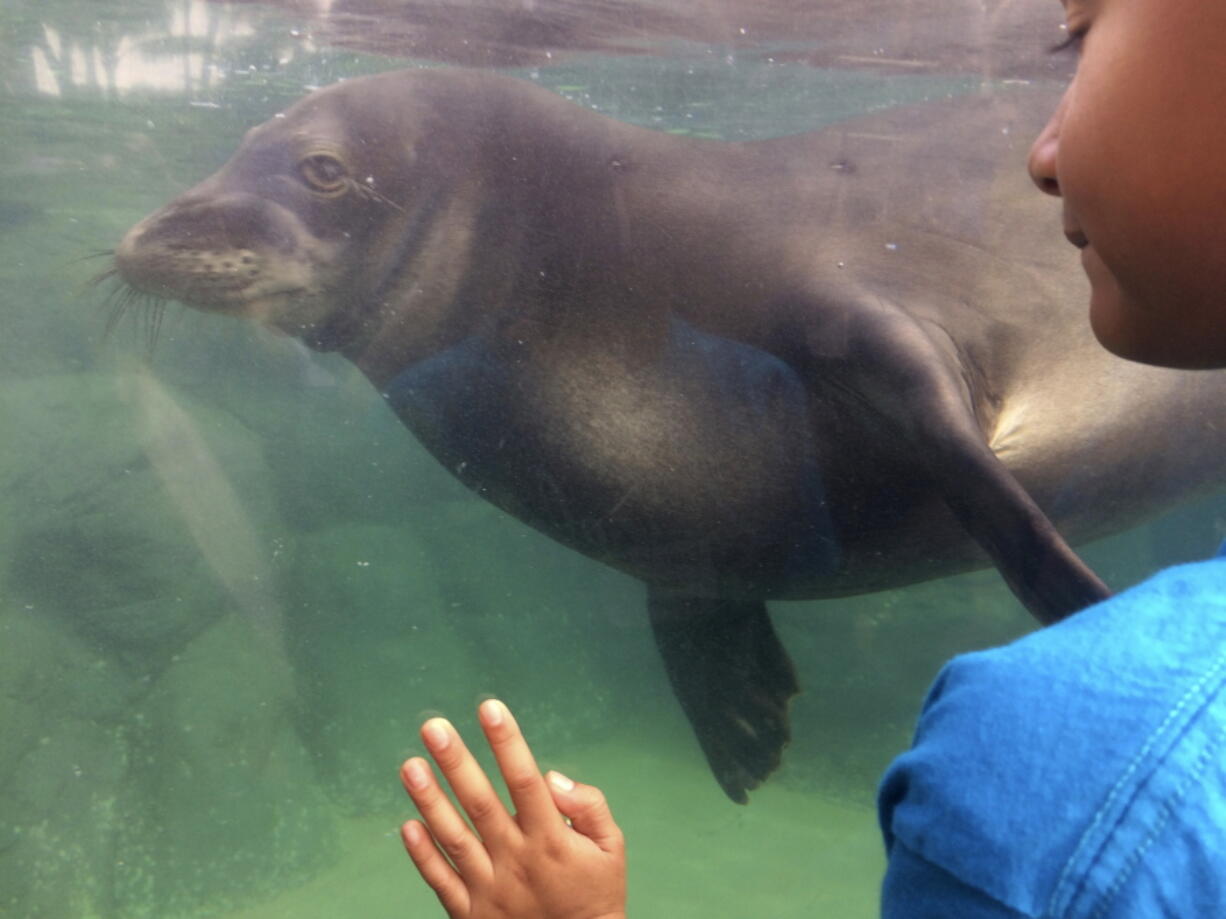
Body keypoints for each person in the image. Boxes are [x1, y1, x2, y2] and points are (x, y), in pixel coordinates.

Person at [398, 0, 1226, 914]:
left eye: (1078, 40)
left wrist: (1095, 646)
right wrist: (697, 575)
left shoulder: (1049, 782)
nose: (1039, 147)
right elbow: (695, 454)